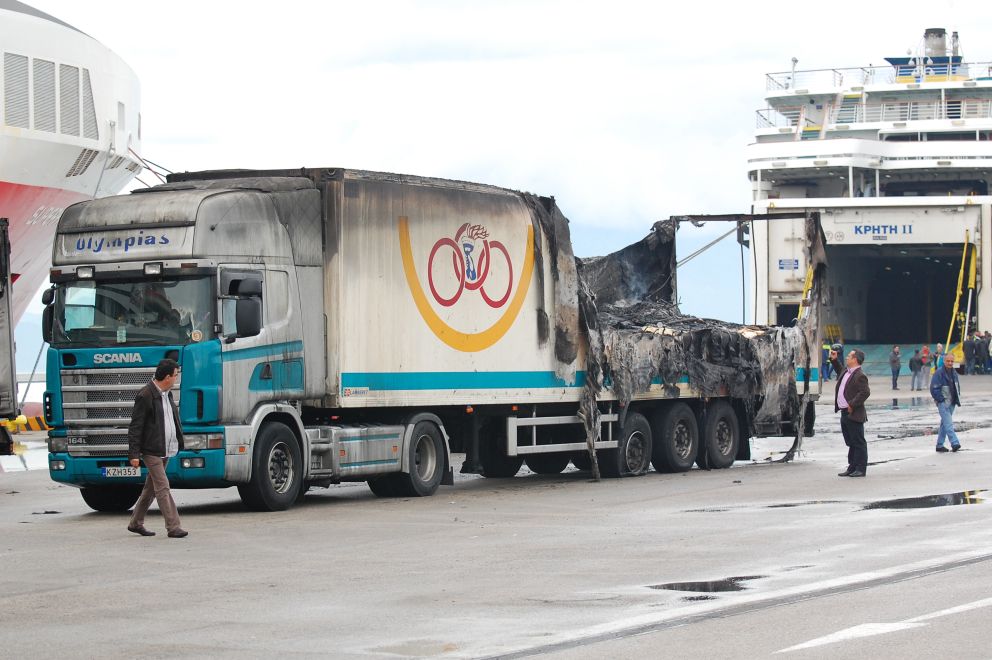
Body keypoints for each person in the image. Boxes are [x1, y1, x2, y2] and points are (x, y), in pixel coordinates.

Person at [126, 358, 188, 538]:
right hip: (151, 450)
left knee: (150, 489)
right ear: (167, 376)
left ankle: (135, 523)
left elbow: (171, 420)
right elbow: (135, 427)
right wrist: (134, 454)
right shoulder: (145, 395)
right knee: (163, 487)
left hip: (165, 448)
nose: (176, 379)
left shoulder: (167, 394)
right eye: (175, 375)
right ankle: (173, 526)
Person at [831, 348, 871, 477]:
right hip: (844, 412)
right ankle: (852, 466)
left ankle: (861, 468)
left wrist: (852, 404)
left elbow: (865, 392)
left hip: (853, 413)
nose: (847, 358)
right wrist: (834, 360)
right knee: (851, 441)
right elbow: (839, 370)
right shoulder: (846, 371)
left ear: (855, 359)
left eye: (849, 356)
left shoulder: (860, 375)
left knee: (858, 442)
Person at [930, 353, 962, 453]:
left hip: (952, 402)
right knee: (948, 423)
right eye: (948, 361)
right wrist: (940, 399)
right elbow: (934, 388)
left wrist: (957, 399)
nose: (950, 363)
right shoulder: (939, 373)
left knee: (944, 424)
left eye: (952, 361)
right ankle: (955, 443)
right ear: (944, 361)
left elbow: (957, 387)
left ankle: (939, 445)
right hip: (943, 403)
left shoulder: (954, 372)